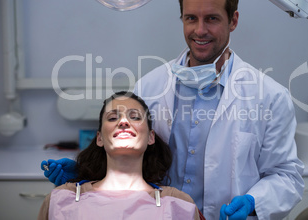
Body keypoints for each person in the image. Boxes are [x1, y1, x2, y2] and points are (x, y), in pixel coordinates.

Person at [42, 0, 304, 220]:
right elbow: (131, 158)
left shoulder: (269, 97)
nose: (199, 30)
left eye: (211, 18)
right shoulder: (149, 88)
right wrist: (86, 172)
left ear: (233, 20)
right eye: (191, 18)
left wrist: (253, 202)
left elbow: (286, 177)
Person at [38, 91, 201, 220]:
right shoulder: (61, 199)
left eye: (135, 117)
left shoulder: (178, 203)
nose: (123, 122)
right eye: (113, 117)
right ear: (99, 138)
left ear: (151, 137)